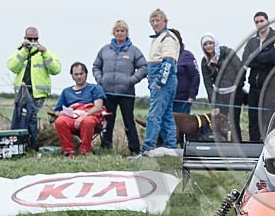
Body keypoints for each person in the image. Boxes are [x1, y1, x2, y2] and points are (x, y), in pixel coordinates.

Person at [92, 20, 147, 155]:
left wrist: (132, 80)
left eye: (123, 31)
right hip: (107, 92)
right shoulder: (105, 50)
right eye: (117, 31)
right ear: (114, 33)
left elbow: (144, 67)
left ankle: (134, 149)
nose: (120, 33)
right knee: (107, 121)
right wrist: (100, 80)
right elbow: (96, 67)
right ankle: (105, 148)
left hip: (126, 92)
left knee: (128, 121)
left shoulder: (134, 50)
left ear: (127, 33)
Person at [7, 26, 61, 151]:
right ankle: (25, 144)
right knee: (22, 118)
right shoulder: (19, 52)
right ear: (25, 38)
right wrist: (24, 51)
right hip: (22, 93)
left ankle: (30, 144)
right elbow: (12, 67)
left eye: (35, 39)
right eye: (30, 39)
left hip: (38, 93)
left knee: (31, 117)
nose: (32, 41)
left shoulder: (45, 53)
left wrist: (45, 53)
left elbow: (56, 69)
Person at [142, 8, 179, 153]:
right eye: (153, 21)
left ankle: (148, 147)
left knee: (154, 115)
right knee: (166, 115)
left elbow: (168, 62)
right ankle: (170, 147)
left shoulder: (167, 38)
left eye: (158, 20)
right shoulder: (157, 38)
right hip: (161, 81)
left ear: (165, 22)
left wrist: (159, 82)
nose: (155, 23)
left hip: (164, 82)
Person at [242, 11, 275, 142]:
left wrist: (256, 58)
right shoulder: (251, 42)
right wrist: (262, 60)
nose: (260, 24)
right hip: (254, 87)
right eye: (257, 22)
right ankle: (254, 148)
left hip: (271, 88)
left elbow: (274, 58)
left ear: (268, 22)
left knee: (271, 119)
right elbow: (245, 60)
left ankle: (273, 146)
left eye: (262, 21)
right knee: (253, 120)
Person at [52, 62, 107, 157]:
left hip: (90, 116)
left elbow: (98, 107)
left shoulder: (95, 88)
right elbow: (57, 111)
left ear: (86, 74)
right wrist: (66, 113)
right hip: (72, 117)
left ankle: (85, 151)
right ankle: (68, 151)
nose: (79, 77)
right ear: (72, 76)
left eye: (81, 74)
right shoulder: (66, 92)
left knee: (87, 121)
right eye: (76, 74)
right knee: (60, 121)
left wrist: (83, 115)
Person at [201, 33, 246, 142]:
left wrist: (238, 87)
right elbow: (208, 84)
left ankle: (237, 145)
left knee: (234, 121)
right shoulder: (204, 61)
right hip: (219, 96)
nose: (208, 46)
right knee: (220, 122)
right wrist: (214, 104)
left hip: (234, 93)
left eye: (210, 43)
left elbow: (241, 70)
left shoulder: (228, 53)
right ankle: (222, 147)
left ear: (215, 43)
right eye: (205, 44)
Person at [167, 28, 200, 116]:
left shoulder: (187, 56)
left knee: (182, 128)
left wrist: (192, 96)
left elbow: (195, 77)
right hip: (166, 98)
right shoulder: (163, 56)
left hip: (183, 100)